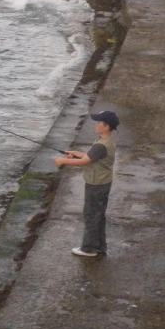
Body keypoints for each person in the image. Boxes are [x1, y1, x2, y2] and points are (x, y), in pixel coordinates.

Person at [54, 110, 119, 257]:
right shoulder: (106, 141)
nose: (96, 125)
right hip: (103, 183)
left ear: (106, 126)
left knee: (91, 215)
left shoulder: (101, 145)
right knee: (99, 215)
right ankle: (100, 246)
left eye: (99, 123)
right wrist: (75, 153)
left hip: (96, 185)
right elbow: (90, 157)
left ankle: (88, 249)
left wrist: (63, 161)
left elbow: (84, 162)